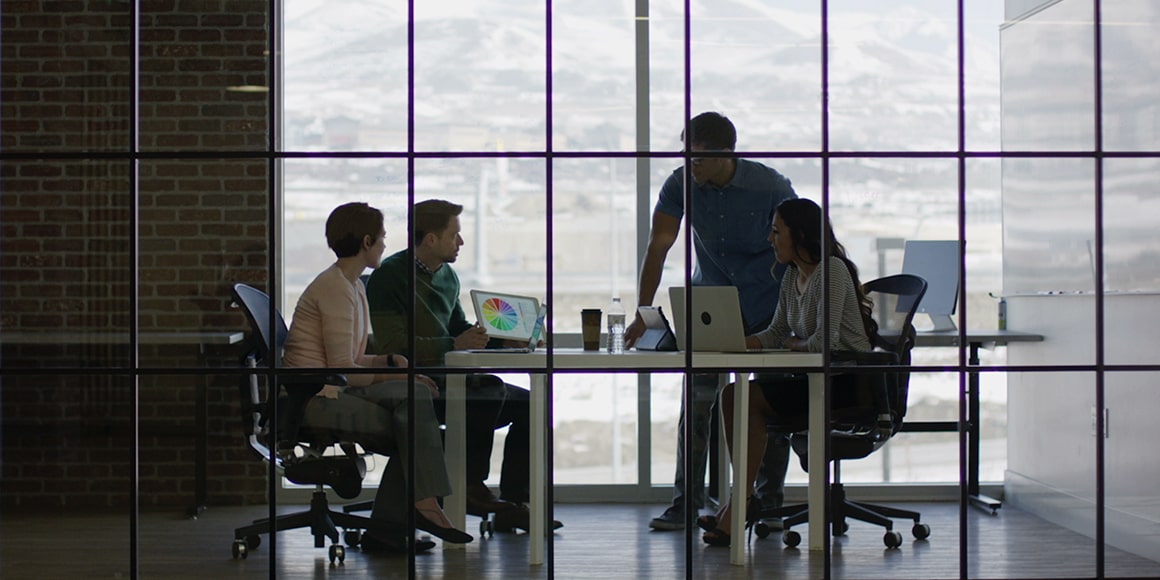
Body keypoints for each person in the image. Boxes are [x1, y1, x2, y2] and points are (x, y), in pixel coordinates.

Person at [623, 111, 798, 531]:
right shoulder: (681, 183)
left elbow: (801, 244)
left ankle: (767, 506)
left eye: (699, 157)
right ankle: (686, 503)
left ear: (726, 153)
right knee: (698, 405)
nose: (691, 164)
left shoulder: (770, 185)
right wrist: (645, 313)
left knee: (767, 406)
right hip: (711, 304)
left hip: (767, 307)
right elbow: (659, 245)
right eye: (686, 155)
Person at [282, 201, 473, 553]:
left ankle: (390, 531)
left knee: (412, 415)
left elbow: (352, 359)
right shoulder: (336, 288)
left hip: (333, 388)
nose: (387, 244)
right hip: (317, 398)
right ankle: (423, 506)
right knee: (414, 414)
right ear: (367, 241)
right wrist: (399, 379)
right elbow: (342, 370)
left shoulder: (352, 285)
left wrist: (388, 361)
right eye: (382, 237)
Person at [366, 199, 561, 533]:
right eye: (454, 235)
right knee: (488, 389)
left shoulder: (447, 276)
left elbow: (457, 329)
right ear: (430, 239)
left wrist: (502, 340)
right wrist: (453, 346)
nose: (461, 242)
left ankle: (514, 504)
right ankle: (471, 485)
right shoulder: (390, 277)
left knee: (530, 403)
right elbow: (392, 347)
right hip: (419, 385)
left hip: (449, 378)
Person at [700, 197, 877, 547]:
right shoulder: (793, 276)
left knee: (742, 397)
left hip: (846, 384)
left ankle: (741, 505)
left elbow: (820, 343)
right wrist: (734, 341)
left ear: (799, 234)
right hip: (814, 381)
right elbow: (776, 333)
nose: (770, 239)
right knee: (735, 395)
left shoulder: (831, 271)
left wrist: (794, 344)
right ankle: (743, 500)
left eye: (776, 231)